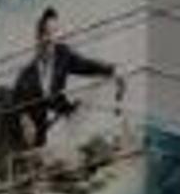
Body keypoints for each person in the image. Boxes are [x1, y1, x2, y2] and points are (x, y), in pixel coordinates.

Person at [10, 8, 124, 147]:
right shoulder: (26, 75)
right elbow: (18, 108)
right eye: (46, 34)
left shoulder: (63, 54)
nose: (50, 39)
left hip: (64, 116)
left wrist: (111, 70)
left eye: (54, 32)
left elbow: (85, 65)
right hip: (45, 133)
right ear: (38, 38)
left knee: (96, 96)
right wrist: (27, 124)